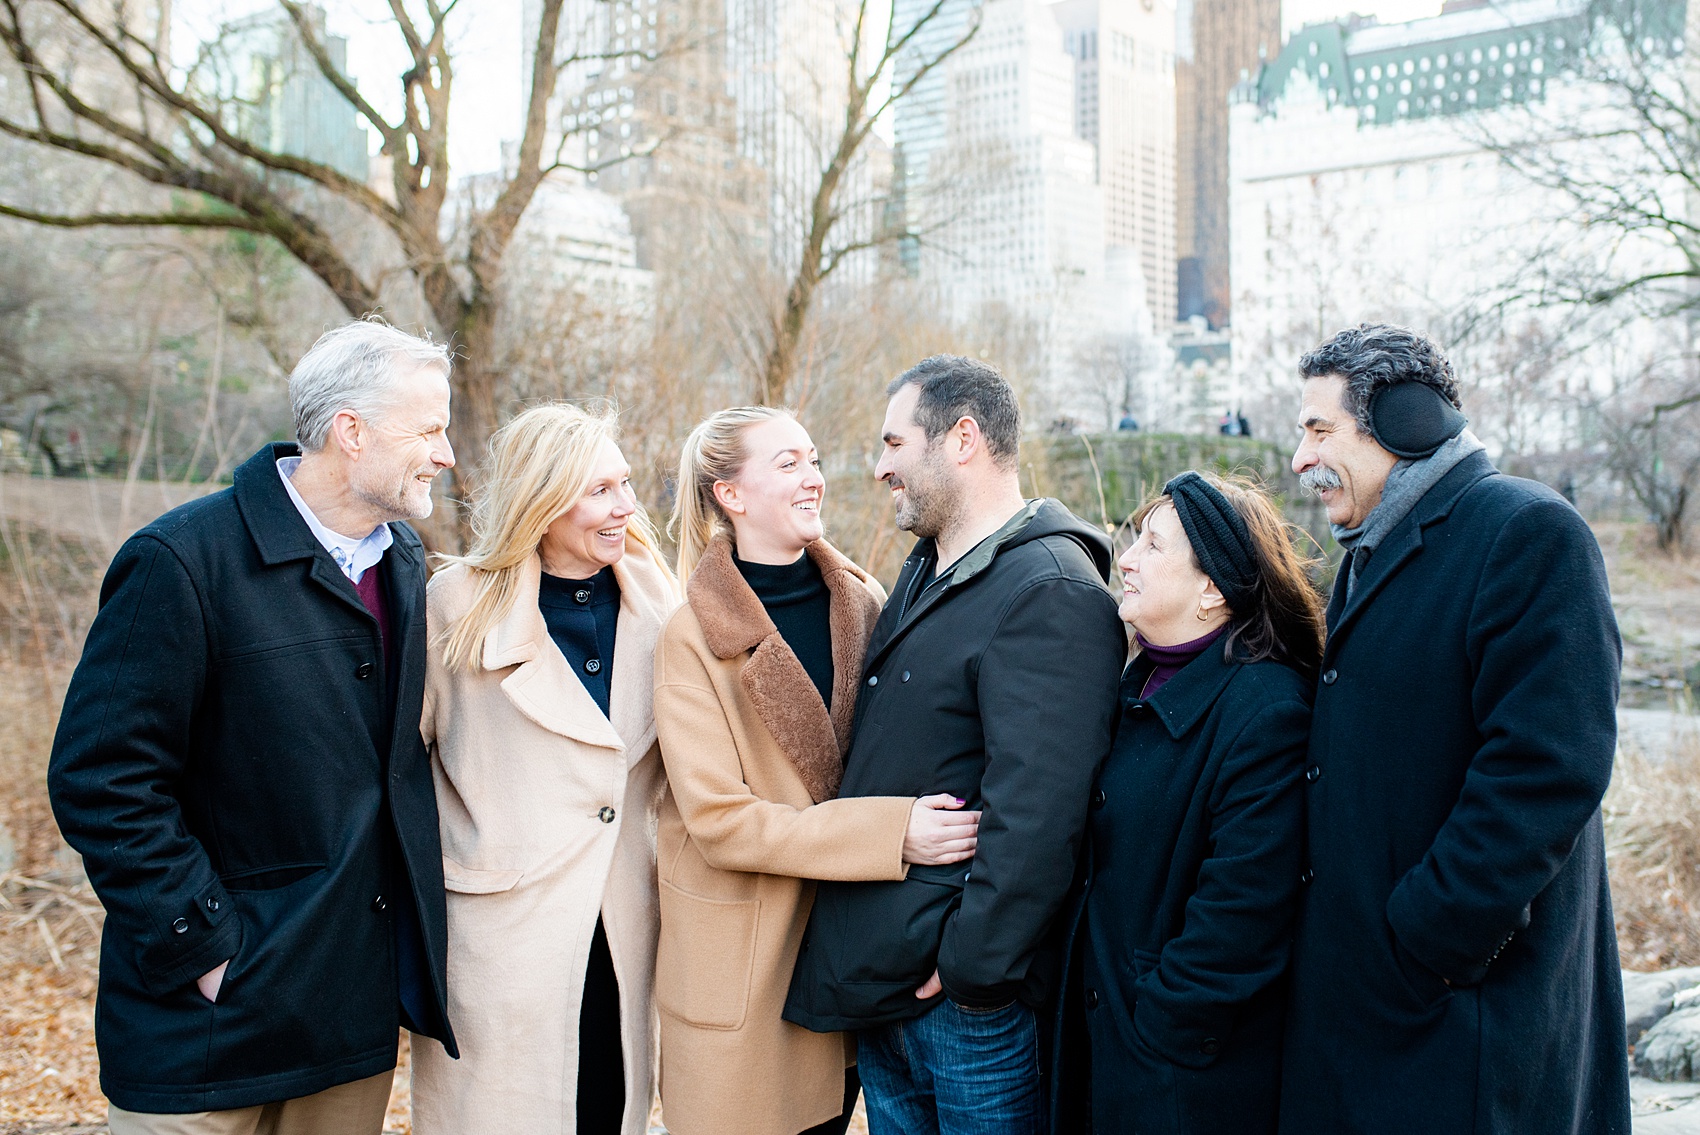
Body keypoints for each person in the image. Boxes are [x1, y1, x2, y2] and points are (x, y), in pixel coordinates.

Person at [48, 319, 458, 1133]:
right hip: (206, 1032)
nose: (446, 453)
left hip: (347, 1026)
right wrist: (204, 950)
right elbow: (102, 778)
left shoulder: (404, 562)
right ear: (352, 431)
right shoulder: (180, 559)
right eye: (431, 429)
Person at [1279, 323, 1629, 1134]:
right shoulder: (1373, 546)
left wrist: (1426, 942)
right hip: (1379, 1015)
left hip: (1467, 1023)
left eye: (1319, 429)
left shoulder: (1527, 531)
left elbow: (1547, 771)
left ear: (1405, 422)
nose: (1301, 458)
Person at [784, 355, 1128, 1135]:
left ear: (962, 437)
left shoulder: (1051, 589)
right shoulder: (929, 568)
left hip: (972, 1009)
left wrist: (972, 968)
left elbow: (1040, 811)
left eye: (894, 442)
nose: (878, 467)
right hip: (893, 990)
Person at [652, 406, 982, 1135]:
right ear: (730, 495)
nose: (815, 478)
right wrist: (893, 834)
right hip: (742, 967)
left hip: (842, 961)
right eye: (788, 464)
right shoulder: (691, 638)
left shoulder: (865, 603)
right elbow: (720, 822)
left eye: (815, 458)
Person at [410, 404, 677, 1135]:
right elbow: (398, 774)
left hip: (622, 933)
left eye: (625, 483)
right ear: (543, 500)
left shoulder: (665, 606)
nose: (625, 505)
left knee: (603, 1111)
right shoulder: (453, 607)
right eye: (599, 489)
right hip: (498, 943)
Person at [1052, 471, 1321, 1135]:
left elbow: (1246, 905)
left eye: (1153, 544)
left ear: (1212, 590)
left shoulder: (1266, 709)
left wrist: (1163, 1020)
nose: (1128, 558)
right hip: (1101, 1041)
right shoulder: (1135, 683)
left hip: (1180, 1077)